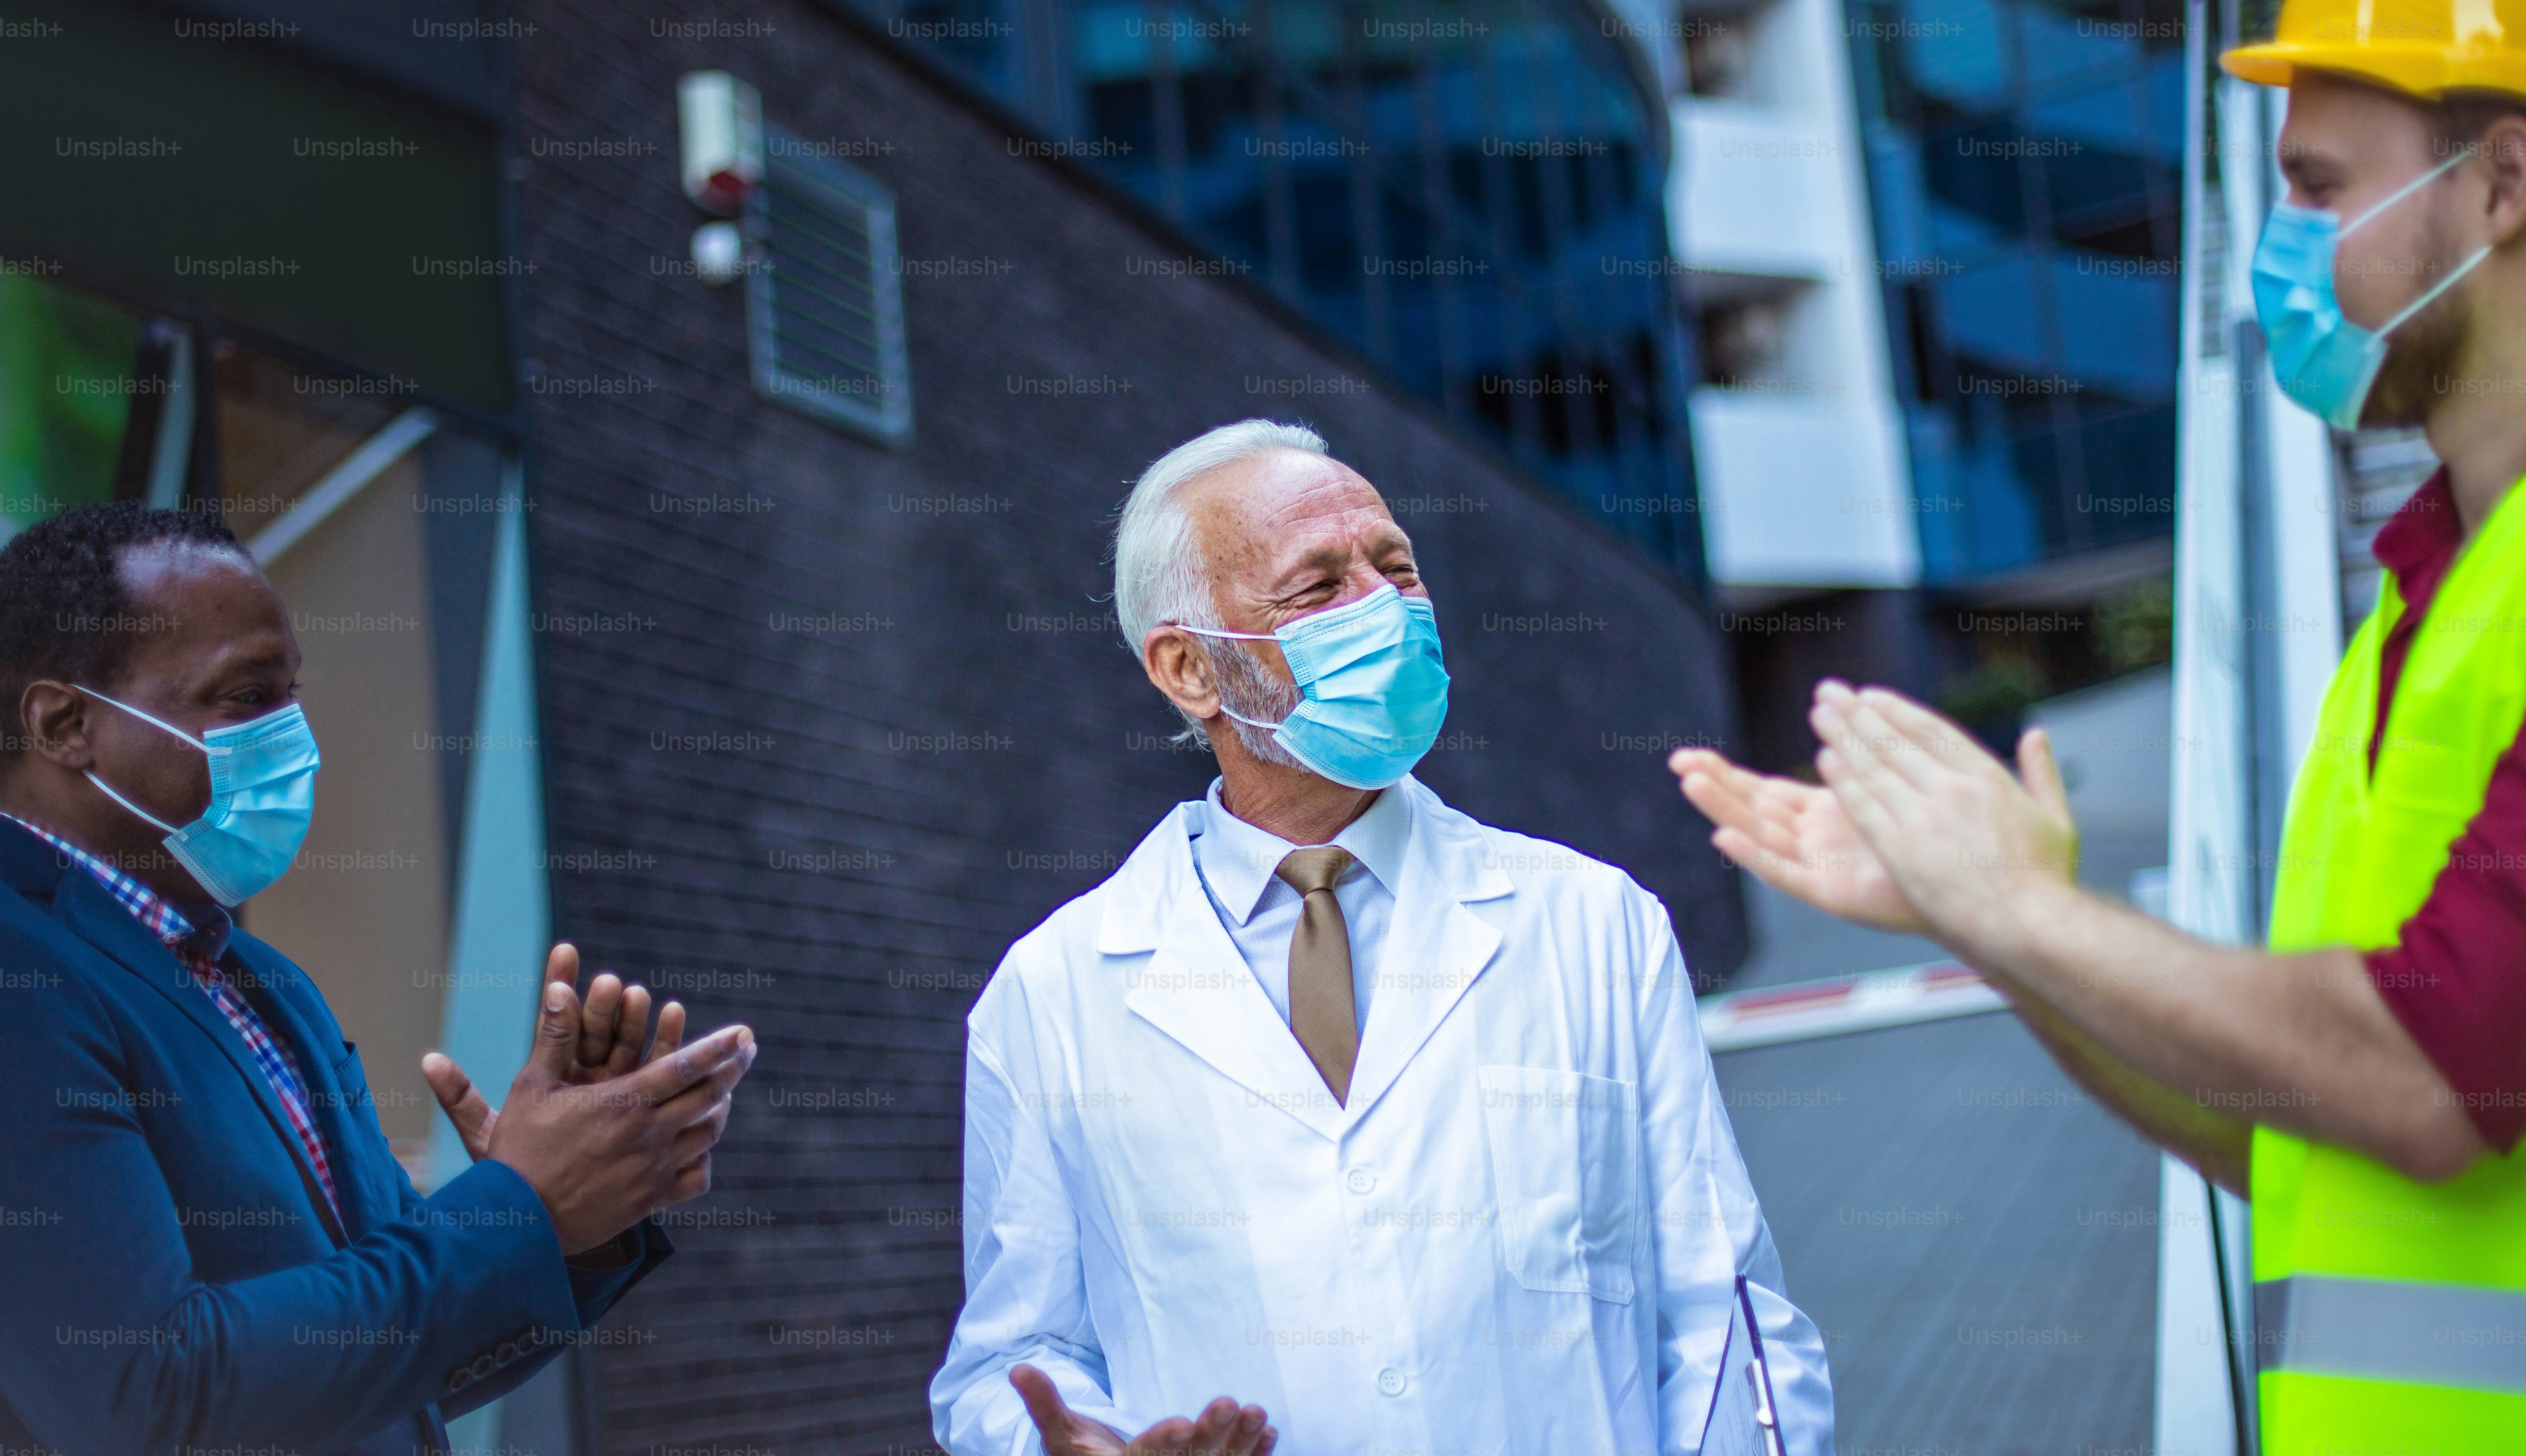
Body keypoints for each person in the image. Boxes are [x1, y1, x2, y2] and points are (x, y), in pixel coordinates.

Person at [1676, 0, 2526, 1449]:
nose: (2284, 251)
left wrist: (2024, 900)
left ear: (2503, 182)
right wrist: (1998, 928)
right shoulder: (2422, 607)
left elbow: (2430, 1078)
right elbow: (2297, 1132)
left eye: (2323, 186)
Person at [929, 420, 1833, 1456]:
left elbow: (1725, 1311)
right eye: (1317, 589)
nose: (1385, 610)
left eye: (1395, 568)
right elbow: (1012, 1360)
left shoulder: (1593, 922)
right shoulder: (1050, 996)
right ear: (1188, 670)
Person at [0, 501, 758, 1454]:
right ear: (66, 725)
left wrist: (578, 1211)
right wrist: (514, 1208)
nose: (296, 738)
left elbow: (402, 1367)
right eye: (245, 697)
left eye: (291, 694)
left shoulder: (261, 984)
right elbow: (149, 1392)